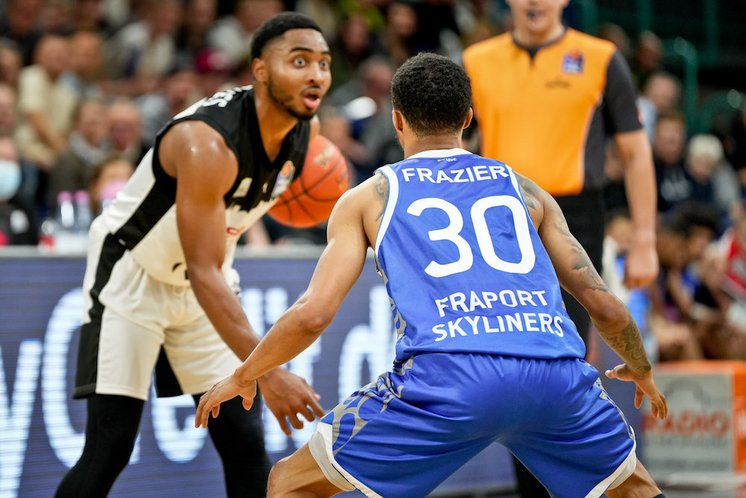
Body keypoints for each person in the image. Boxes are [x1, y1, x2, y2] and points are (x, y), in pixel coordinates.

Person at [195, 53, 668, 498]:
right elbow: (603, 304)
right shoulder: (525, 189)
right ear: (468, 119)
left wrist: (245, 374)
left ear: (397, 120)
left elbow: (313, 314)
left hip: (447, 379)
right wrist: (641, 369)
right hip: (554, 376)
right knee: (634, 488)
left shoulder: (370, 197)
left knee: (291, 482)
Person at [56, 12, 332, 498]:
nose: (315, 75)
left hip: (205, 280)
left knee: (243, 437)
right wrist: (268, 372)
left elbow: (211, 261)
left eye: (324, 64)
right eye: (299, 61)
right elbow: (204, 271)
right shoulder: (206, 142)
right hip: (133, 274)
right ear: (260, 70)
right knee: (110, 446)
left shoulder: (304, 134)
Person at [462, 4, 659, 493]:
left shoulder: (600, 58)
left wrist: (645, 239)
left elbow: (635, 153)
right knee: (513, 361)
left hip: (575, 217)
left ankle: (584, 481)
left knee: (558, 360)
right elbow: (450, 145)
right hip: (497, 215)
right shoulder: (476, 61)